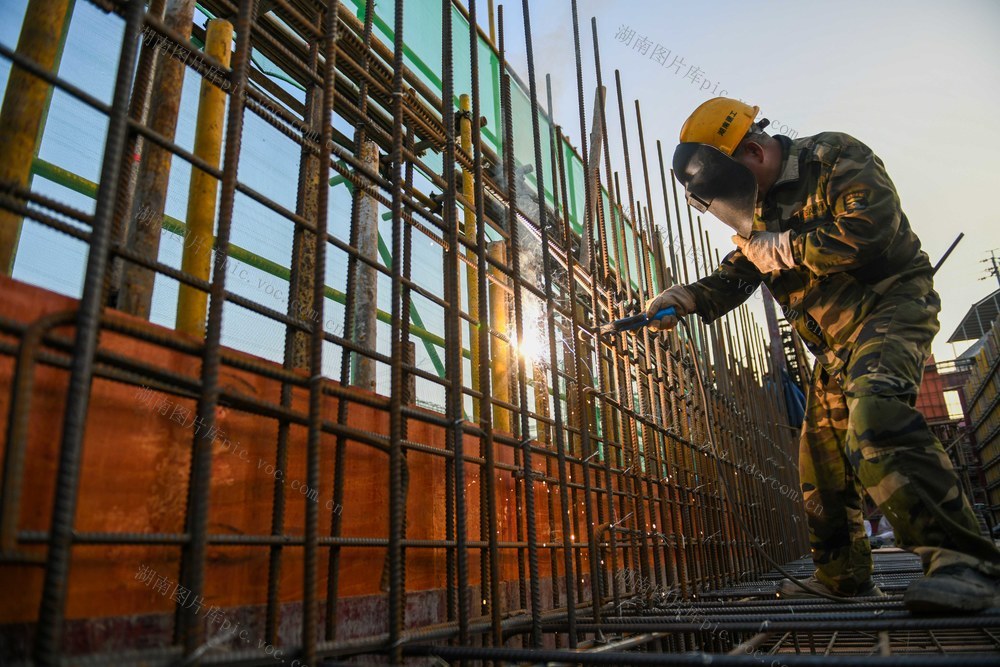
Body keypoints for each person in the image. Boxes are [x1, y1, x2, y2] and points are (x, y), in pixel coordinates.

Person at [646, 97, 1000, 612]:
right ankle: (842, 578)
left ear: (753, 152)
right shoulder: (756, 209)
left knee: (875, 415)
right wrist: (687, 298)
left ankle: (967, 565)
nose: (734, 203)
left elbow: (871, 226)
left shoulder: (833, 156)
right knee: (822, 464)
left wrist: (789, 248)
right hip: (835, 346)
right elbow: (740, 271)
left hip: (890, 306)